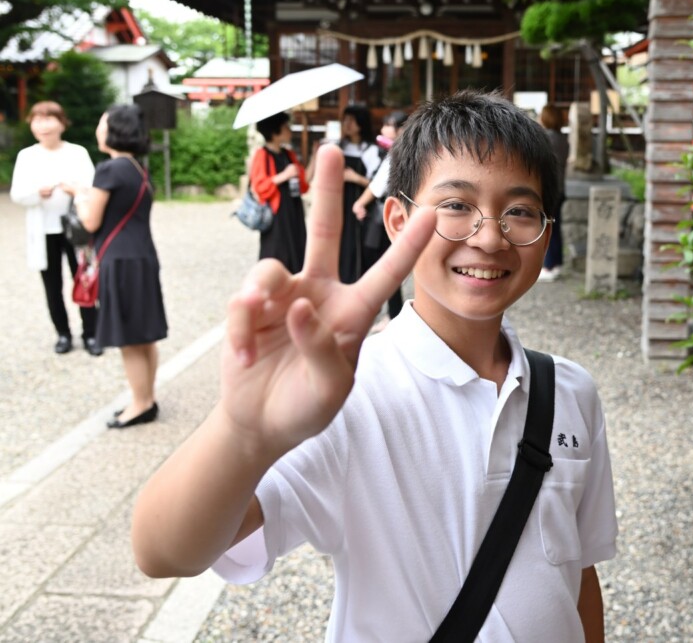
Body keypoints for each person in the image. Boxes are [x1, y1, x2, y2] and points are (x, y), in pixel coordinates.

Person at [131, 90, 618, 642]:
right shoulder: (345, 394)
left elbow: (578, 572)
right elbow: (163, 550)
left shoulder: (570, 391)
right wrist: (245, 430)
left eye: (520, 211)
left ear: (545, 233)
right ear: (396, 219)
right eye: (456, 205)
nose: (488, 236)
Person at [65, 104, 168, 428]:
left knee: (129, 339)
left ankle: (139, 404)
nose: (98, 129)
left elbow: (91, 220)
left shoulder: (109, 169)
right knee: (144, 335)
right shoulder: (137, 168)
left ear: (115, 130)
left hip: (121, 261)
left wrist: (79, 197)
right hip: (142, 256)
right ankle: (147, 398)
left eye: (102, 123)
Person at [10, 100, 101, 355]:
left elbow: (92, 187)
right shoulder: (27, 156)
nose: (44, 125)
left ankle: (91, 333)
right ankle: (63, 334)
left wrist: (75, 190)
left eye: (49, 118)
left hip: (76, 229)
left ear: (62, 123)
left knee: (84, 280)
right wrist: (37, 193)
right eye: (38, 120)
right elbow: (18, 194)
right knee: (52, 286)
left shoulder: (77, 152)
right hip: (43, 231)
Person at [351, 109, 408, 326]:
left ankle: (380, 313)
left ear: (401, 129)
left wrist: (359, 203)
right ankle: (391, 314)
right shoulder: (409, 152)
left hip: (382, 215)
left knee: (378, 264)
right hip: (397, 214)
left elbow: (377, 187)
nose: (383, 129)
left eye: (389, 125)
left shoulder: (396, 153)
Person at [250, 112, 310, 273]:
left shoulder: (288, 154)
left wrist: (316, 157)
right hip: (276, 215)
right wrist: (284, 176)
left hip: (294, 211)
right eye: (285, 127)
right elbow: (259, 187)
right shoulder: (262, 155)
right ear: (275, 131)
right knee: (276, 255)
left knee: (297, 251)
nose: (289, 130)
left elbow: (304, 185)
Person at [337, 104, 382, 284]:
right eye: (344, 120)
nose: (346, 124)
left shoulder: (370, 150)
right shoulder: (339, 147)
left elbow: (377, 185)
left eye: (351, 120)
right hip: (339, 204)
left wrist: (355, 178)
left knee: (355, 247)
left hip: (360, 208)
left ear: (361, 124)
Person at [537, 104, 569, 283]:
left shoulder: (547, 139)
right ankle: (556, 263)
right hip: (561, 188)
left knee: (547, 227)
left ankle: (548, 265)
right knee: (555, 228)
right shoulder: (562, 138)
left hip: (550, 190)